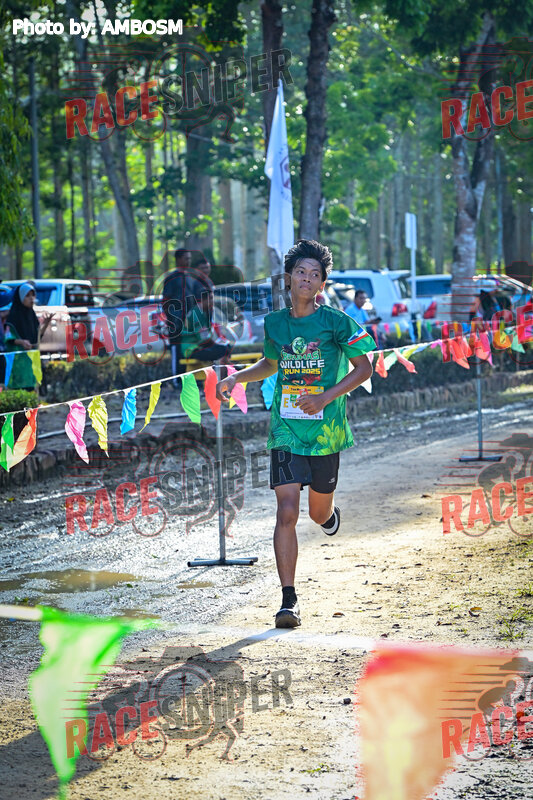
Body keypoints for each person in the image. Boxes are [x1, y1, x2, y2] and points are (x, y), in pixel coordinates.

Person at [216, 239, 376, 629]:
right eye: (301, 272)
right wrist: (237, 377)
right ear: (288, 278)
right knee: (286, 511)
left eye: (314, 274)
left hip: (325, 432)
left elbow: (365, 368)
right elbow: (271, 363)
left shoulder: (337, 322)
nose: (307, 279)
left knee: (317, 513)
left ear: (322, 283)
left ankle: (328, 515)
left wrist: (324, 397)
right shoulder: (275, 323)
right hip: (285, 428)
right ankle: (288, 600)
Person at [162, 249, 209, 382]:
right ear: (178, 259)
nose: (188, 261)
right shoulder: (171, 278)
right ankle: (176, 380)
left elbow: (196, 300)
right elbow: (165, 301)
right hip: (176, 322)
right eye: (186, 258)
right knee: (176, 350)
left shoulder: (191, 278)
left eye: (189, 258)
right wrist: (172, 318)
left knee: (190, 348)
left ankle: (188, 380)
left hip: (190, 323)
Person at [3, 282, 54, 390]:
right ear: (20, 297)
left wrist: (46, 323)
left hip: (31, 361)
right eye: (27, 296)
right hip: (18, 362)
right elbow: (8, 338)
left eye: (33, 295)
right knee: (19, 390)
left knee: (32, 390)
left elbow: (37, 337)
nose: (31, 298)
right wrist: (22, 342)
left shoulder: (31, 315)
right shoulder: (13, 316)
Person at [181, 288, 232, 363]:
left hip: (199, 346)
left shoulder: (205, 311)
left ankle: (226, 367)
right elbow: (204, 339)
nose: (213, 301)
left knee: (226, 347)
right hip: (191, 349)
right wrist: (218, 343)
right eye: (210, 298)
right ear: (203, 300)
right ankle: (225, 368)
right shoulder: (197, 313)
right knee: (222, 349)